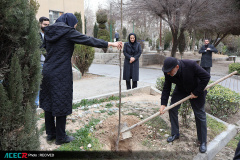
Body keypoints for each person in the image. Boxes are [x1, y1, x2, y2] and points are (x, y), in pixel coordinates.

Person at [40, 13, 122, 145]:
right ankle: (60, 137)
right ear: (69, 22)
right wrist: (110, 43)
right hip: (61, 72)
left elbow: (45, 48)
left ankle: (51, 134)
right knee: (61, 101)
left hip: (47, 70)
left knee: (49, 101)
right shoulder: (68, 31)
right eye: (75, 25)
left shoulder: (49, 31)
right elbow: (88, 40)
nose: (75, 27)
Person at [159, 57, 210, 153]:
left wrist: (196, 92)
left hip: (196, 89)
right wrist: (163, 104)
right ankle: (175, 133)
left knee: (199, 114)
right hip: (181, 89)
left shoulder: (191, 65)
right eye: (167, 72)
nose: (168, 74)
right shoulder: (168, 71)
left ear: (177, 67)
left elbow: (206, 77)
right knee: (172, 108)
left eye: (170, 72)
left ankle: (202, 141)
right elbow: (166, 87)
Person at [35, 16, 49, 107]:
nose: (46, 26)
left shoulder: (50, 35)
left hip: (47, 63)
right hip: (39, 63)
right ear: (40, 24)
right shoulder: (36, 35)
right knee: (37, 85)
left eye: (48, 25)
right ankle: (35, 104)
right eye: (44, 24)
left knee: (46, 84)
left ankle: (43, 103)